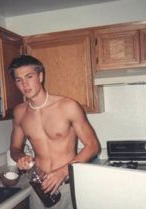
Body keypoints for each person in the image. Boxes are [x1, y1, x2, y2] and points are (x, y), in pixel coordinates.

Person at [8, 55, 100, 209]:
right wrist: (20, 157)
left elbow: (93, 146)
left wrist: (63, 171)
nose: (24, 84)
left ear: (41, 76)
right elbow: (14, 148)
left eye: (29, 77)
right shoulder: (20, 112)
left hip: (67, 184)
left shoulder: (68, 106)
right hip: (38, 186)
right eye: (19, 80)